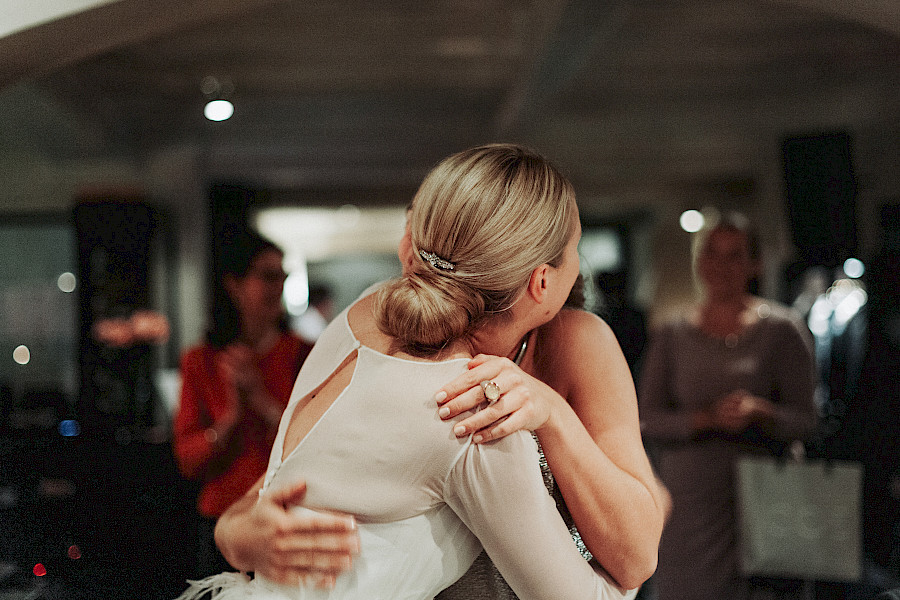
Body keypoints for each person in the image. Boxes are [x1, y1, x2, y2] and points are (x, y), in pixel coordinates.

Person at [179, 144, 655, 600]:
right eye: (573, 247)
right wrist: (236, 532)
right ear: (542, 281)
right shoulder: (468, 408)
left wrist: (550, 409)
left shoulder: (361, 319)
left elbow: (635, 544)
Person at [637, 212, 818, 600]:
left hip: (768, 500)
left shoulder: (783, 330)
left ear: (755, 263)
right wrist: (704, 418)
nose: (721, 266)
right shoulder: (672, 334)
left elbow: (808, 421)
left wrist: (762, 413)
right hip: (690, 508)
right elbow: (645, 420)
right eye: (712, 254)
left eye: (735, 255)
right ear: (699, 262)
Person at [173, 231, 313, 579]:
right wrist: (231, 419)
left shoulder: (304, 354)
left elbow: (315, 441)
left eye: (282, 276)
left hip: (285, 514)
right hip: (220, 518)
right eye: (267, 276)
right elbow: (187, 460)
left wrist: (262, 400)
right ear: (234, 286)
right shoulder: (200, 360)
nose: (277, 286)